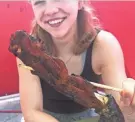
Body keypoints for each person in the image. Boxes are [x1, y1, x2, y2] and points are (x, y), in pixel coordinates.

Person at [16, 0, 135, 122]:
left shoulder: (104, 45)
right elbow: (32, 112)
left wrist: (130, 105)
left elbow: (121, 110)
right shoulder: (27, 49)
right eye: (39, 2)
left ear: (80, 2)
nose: (51, 10)